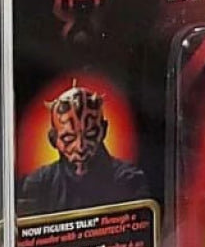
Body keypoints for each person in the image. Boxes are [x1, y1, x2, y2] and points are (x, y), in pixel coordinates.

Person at [18, 82, 149, 215]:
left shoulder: (129, 181)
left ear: (103, 131)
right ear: (53, 139)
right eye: (69, 138)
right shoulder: (39, 184)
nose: (80, 147)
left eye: (90, 135)